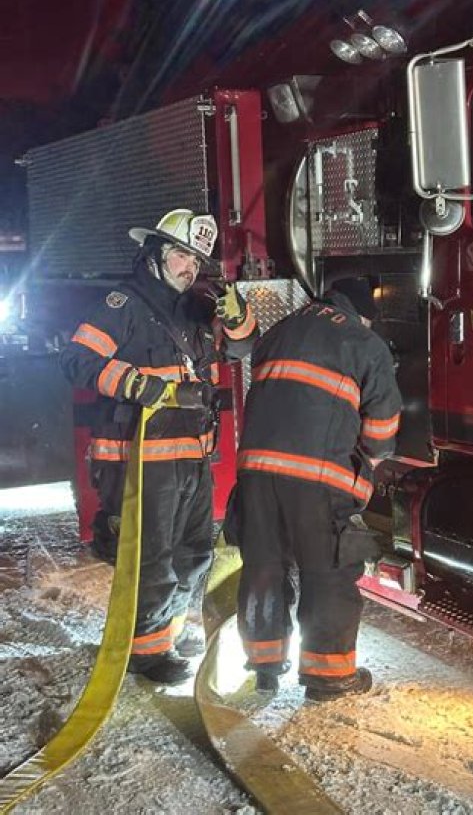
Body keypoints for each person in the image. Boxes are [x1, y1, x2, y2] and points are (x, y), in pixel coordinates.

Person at [60, 208, 257, 683]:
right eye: (181, 255)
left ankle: (169, 630)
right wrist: (136, 384)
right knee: (152, 558)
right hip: (140, 459)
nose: (190, 268)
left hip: (191, 456)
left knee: (194, 553)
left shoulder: (194, 309)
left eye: (196, 261)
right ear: (154, 253)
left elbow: (241, 348)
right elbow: (76, 360)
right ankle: (146, 652)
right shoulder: (124, 305)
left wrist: (238, 316)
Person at [224, 276, 402, 701]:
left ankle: (265, 666)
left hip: (255, 473)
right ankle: (328, 677)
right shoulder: (364, 342)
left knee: (263, 567)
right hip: (316, 478)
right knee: (327, 572)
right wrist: (369, 461)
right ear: (363, 315)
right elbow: (381, 430)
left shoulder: (280, 330)